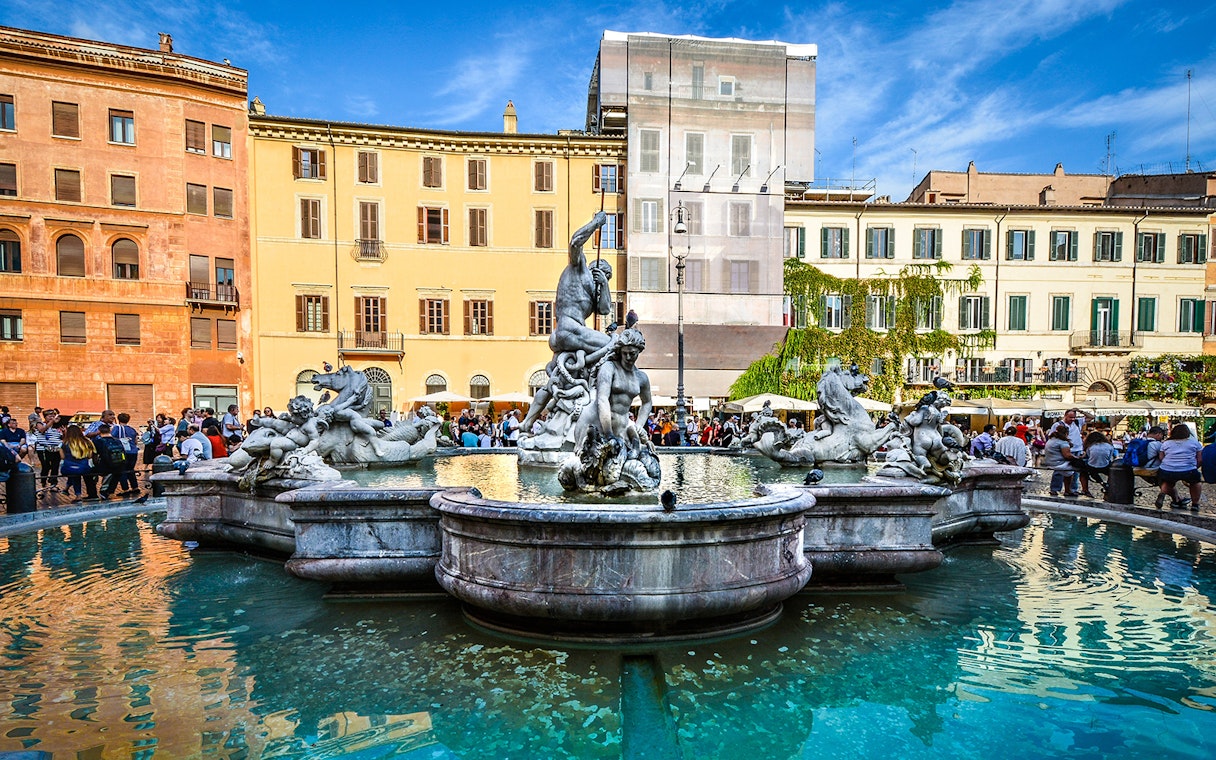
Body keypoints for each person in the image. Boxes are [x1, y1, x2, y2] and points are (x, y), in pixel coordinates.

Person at [519, 212, 612, 434]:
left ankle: (528, 422)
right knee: (613, 344)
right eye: (604, 274)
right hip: (570, 329)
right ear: (594, 268)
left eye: (608, 277)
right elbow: (575, 241)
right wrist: (596, 224)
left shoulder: (593, 291)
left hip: (566, 336)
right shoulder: (579, 267)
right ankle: (598, 393)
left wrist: (604, 287)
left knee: (554, 382)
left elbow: (605, 309)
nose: (604, 277)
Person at [1155, 423, 1203, 510]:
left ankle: (1162, 493)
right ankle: (1195, 504)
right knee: (1195, 482)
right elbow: (1200, 459)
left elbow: (1161, 457)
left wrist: (1170, 464)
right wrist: (1194, 467)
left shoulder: (1166, 443)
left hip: (1167, 469)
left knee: (1168, 481)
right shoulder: (1195, 443)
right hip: (1188, 469)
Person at [60, 424, 98, 503]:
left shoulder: (65, 443)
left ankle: (77, 495)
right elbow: (89, 456)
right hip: (84, 468)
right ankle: (66, 489)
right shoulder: (87, 442)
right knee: (77, 472)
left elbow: (62, 457)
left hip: (68, 468)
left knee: (74, 474)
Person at [1042, 425, 1080, 497]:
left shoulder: (1051, 440)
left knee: (1067, 471)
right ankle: (1069, 489)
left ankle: (1056, 489)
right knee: (1074, 469)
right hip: (1058, 463)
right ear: (1066, 434)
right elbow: (1067, 455)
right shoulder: (1062, 442)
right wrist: (1077, 457)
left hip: (1050, 461)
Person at [109, 413, 142, 496]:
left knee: (122, 470)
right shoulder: (132, 429)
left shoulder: (117, 428)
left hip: (124, 452)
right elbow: (135, 441)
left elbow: (112, 438)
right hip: (133, 451)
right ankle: (135, 487)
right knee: (131, 470)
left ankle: (125, 489)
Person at [33, 418, 64, 492]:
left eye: (53, 415)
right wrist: (52, 421)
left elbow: (62, 438)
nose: (52, 417)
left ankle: (53, 484)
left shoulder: (57, 427)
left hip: (56, 449)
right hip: (44, 449)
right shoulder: (40, 424)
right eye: (50, 415)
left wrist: (64, 432)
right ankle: (43, 482)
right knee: (46, 466)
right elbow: (42, 430)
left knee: (55, 466)